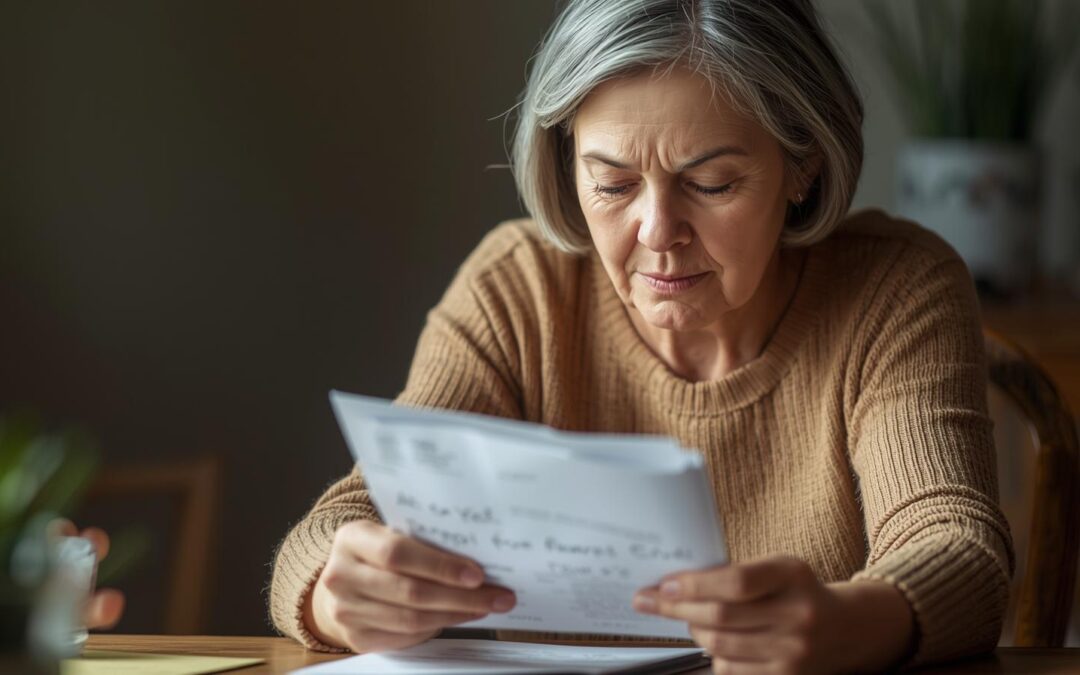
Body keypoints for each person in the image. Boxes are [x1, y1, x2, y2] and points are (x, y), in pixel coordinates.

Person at [269, 0, 1014, 672]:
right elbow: (341, 525)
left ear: (803, 164)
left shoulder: (895, 289)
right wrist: (339, 590)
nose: (657, 233)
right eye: (613, 184)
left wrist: (845, 622)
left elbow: (957, 546)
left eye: (713, 183)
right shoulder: (520, 289)